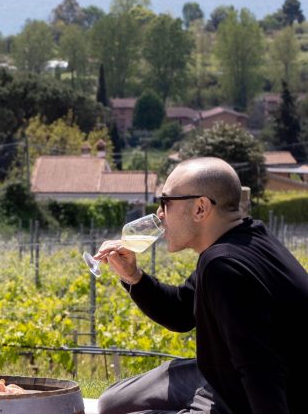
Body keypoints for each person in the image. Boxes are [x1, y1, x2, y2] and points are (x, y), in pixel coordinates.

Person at [94, 157, 308, 414]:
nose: (159, 214)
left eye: (166, 202)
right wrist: (133, 276)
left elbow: (260, 371)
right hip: (218, 376)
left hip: (244, 397)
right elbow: (180, 312)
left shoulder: (224, 265)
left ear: (200, 208)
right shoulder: (243, 239)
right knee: (110, 403)